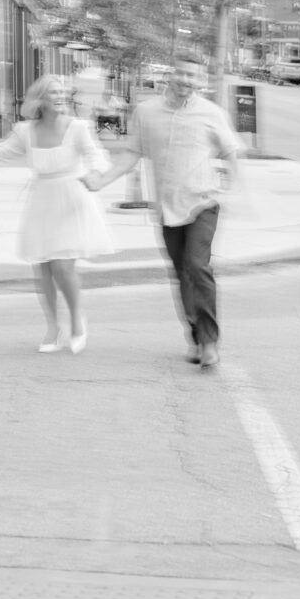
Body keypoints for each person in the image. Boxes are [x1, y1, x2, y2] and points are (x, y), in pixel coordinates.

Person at [84, 55, 240, 370]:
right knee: (181, 274)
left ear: (200, 81)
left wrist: (231, 187)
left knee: (198, 267)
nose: (186, 80)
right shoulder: (147, 111)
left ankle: (210, 341)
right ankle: (195, 335)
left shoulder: (211, 113)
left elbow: (230, 151)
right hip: (167, 208)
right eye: (182, 73)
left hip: (203, 203)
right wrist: (102, 180)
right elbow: (131, 154)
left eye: (193, 76)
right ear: (171, 75)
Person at [0, 75, 112, 354]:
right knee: (42, 266)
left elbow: (96, 156)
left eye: (63, 92)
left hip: (72, 198)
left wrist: (95, 174)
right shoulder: (25, 132)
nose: (60, 97)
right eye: (53, 92)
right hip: (42, 200)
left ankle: (78, 319)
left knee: (62, 265)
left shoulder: (78, 128)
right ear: (40, 99)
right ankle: (53, 327)